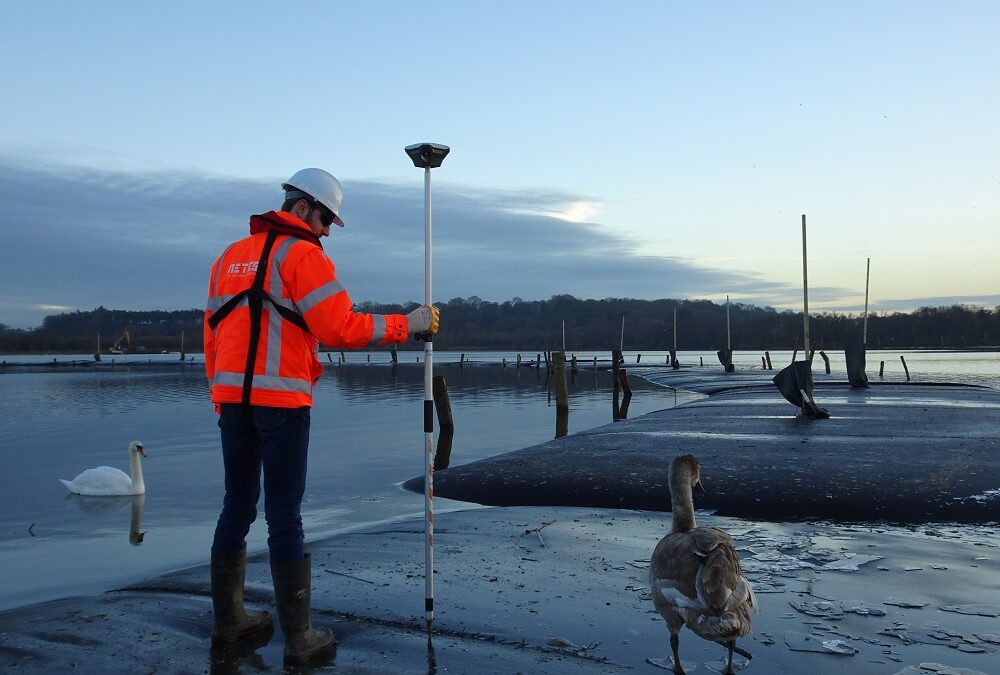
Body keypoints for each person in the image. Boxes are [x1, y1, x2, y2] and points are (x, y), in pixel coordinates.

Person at [203, 168, 439, 664]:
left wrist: (218, 393)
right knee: (284, 515)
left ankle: (230, 624)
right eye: (327, 219)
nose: (328, 231)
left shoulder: (229, 257)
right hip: (282, 403)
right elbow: (339, 328)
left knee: (236, 507)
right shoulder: (303, 255)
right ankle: (299, 637)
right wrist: (408, 324)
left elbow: (212, 332)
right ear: (304, 208)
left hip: (232, 403)